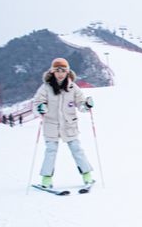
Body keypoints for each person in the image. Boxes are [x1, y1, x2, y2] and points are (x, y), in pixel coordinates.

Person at [32, 57, 95, 188]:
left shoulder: (73, 88)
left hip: (69, 125)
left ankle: (87, 176)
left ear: (67, 72)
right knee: (51, 151)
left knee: (77, 149)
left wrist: (87, 106)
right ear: (52, 72)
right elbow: (37, 104)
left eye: (63, 71)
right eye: (57, 71)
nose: (60, 74)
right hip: (51, 125)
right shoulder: (46, 88)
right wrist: (41, 108)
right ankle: (46, 179)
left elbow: (81, 105)